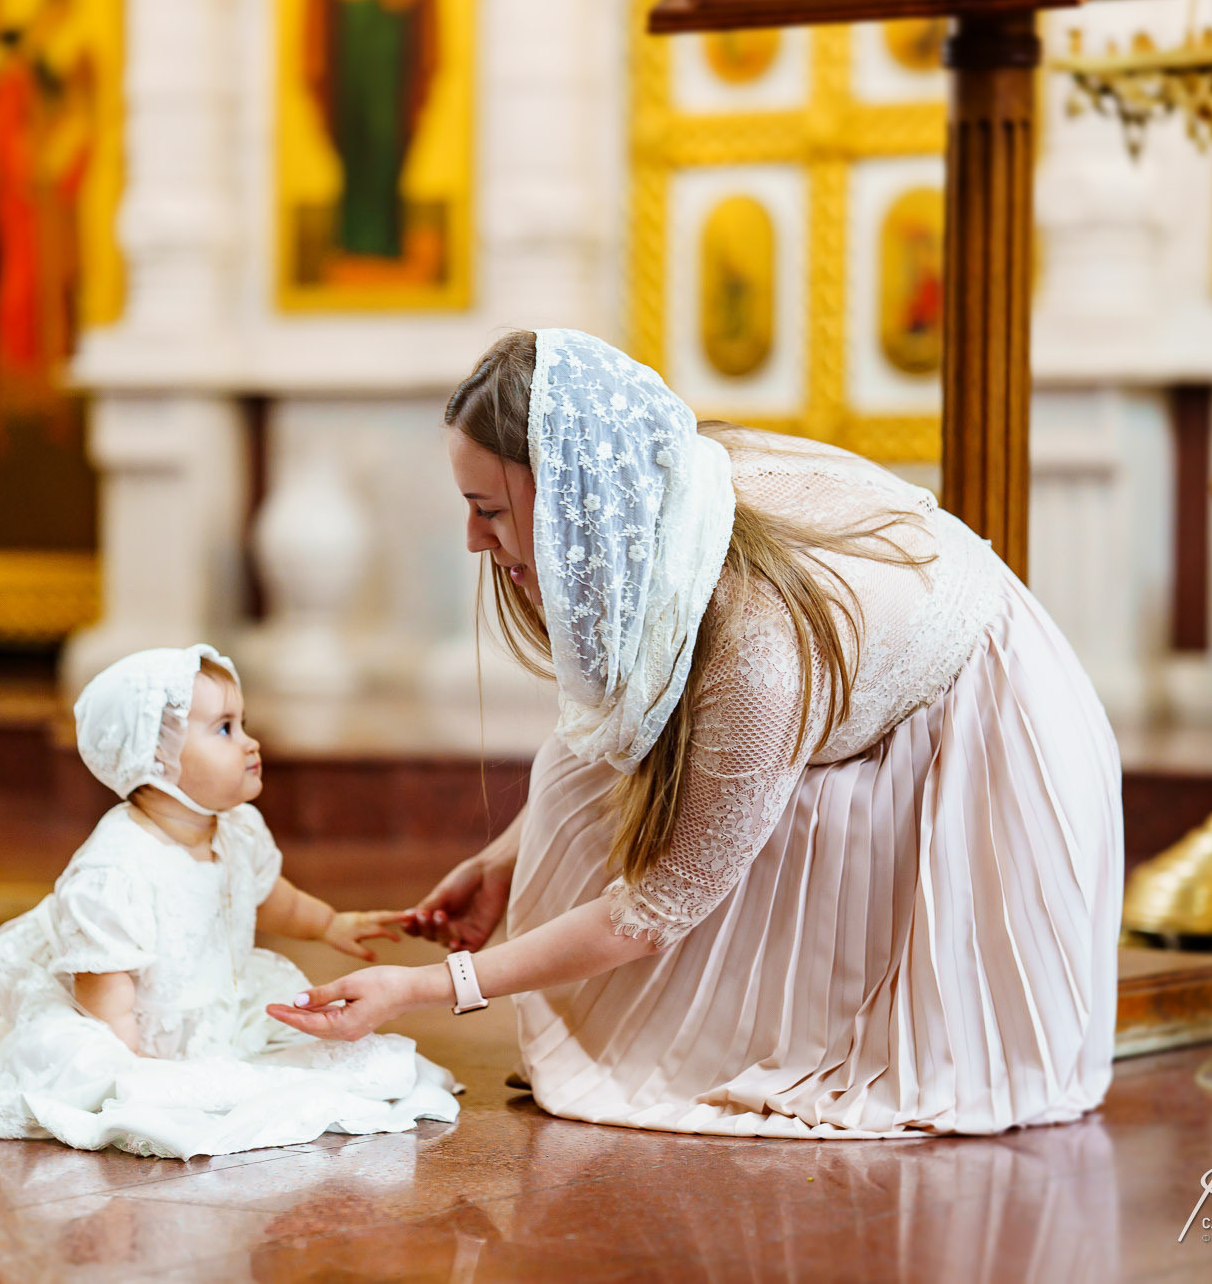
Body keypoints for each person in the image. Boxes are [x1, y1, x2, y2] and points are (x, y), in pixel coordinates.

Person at [268, 329, 1123, 1139]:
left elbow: (655, 910)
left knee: (628, 813)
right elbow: (619, 733)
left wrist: (424, 988)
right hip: (850, 661)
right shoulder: (664, 507)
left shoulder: (757, 651)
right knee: (570, 766)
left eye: (488, 509)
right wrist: (502, 857)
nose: (469, 538)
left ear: (572, 502)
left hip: (983, 714)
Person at [0, 645, 458, 1159]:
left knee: (342, 1058)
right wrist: (132, 1069)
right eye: (225, 729)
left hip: (215, 1003)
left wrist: (329, 924)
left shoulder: (236, 829)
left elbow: (268, 895)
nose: (251, 742)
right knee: (115, 1083)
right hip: (129, 1023)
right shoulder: (114, 870)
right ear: (156, 760)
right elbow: (105, 986)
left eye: (243, 722)